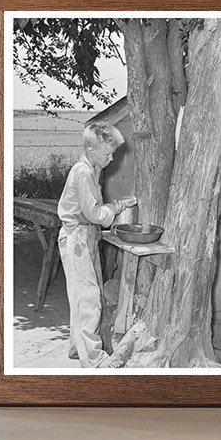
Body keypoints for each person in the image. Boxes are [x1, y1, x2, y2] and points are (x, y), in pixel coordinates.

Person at [57, 122, 137, 367]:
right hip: (77, 239)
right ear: (92, 152)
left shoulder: (93, 168)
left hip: (87, 235)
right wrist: (119, 206)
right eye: (107, 153)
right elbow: (93, 213)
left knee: (84, 295)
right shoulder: (82, 172)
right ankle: (94, 359)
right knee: (88, 298)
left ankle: (77, 348)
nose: (112, 158)